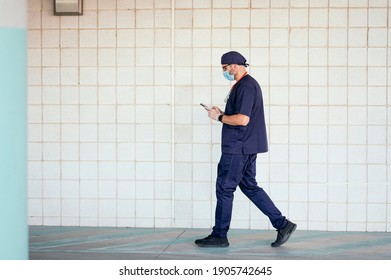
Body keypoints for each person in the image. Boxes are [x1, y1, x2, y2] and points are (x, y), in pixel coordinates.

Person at [195, 51, 296, 248]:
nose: (225, 72)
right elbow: (240, 116)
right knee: (249, 186)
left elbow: (242, 120)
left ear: (233, 65)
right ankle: (283, 225)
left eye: (225, 68)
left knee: (225, 188)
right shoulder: (244, 86)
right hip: (246, 146)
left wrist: (219, 118)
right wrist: (222, 113)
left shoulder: (246, 86)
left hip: (238, 148)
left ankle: (219, 235)